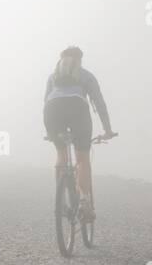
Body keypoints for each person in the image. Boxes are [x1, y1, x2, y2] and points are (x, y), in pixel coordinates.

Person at [43, 46, 114, 222]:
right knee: (82, 159)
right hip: (77, 110)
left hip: (52, 112)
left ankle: (60, 203)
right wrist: (107, 130)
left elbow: (46, 101)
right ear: (79, 60)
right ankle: (83, 201)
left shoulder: (53, 77)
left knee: (61, 155)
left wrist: (50, 132)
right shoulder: (86, 75)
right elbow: (99, 102)